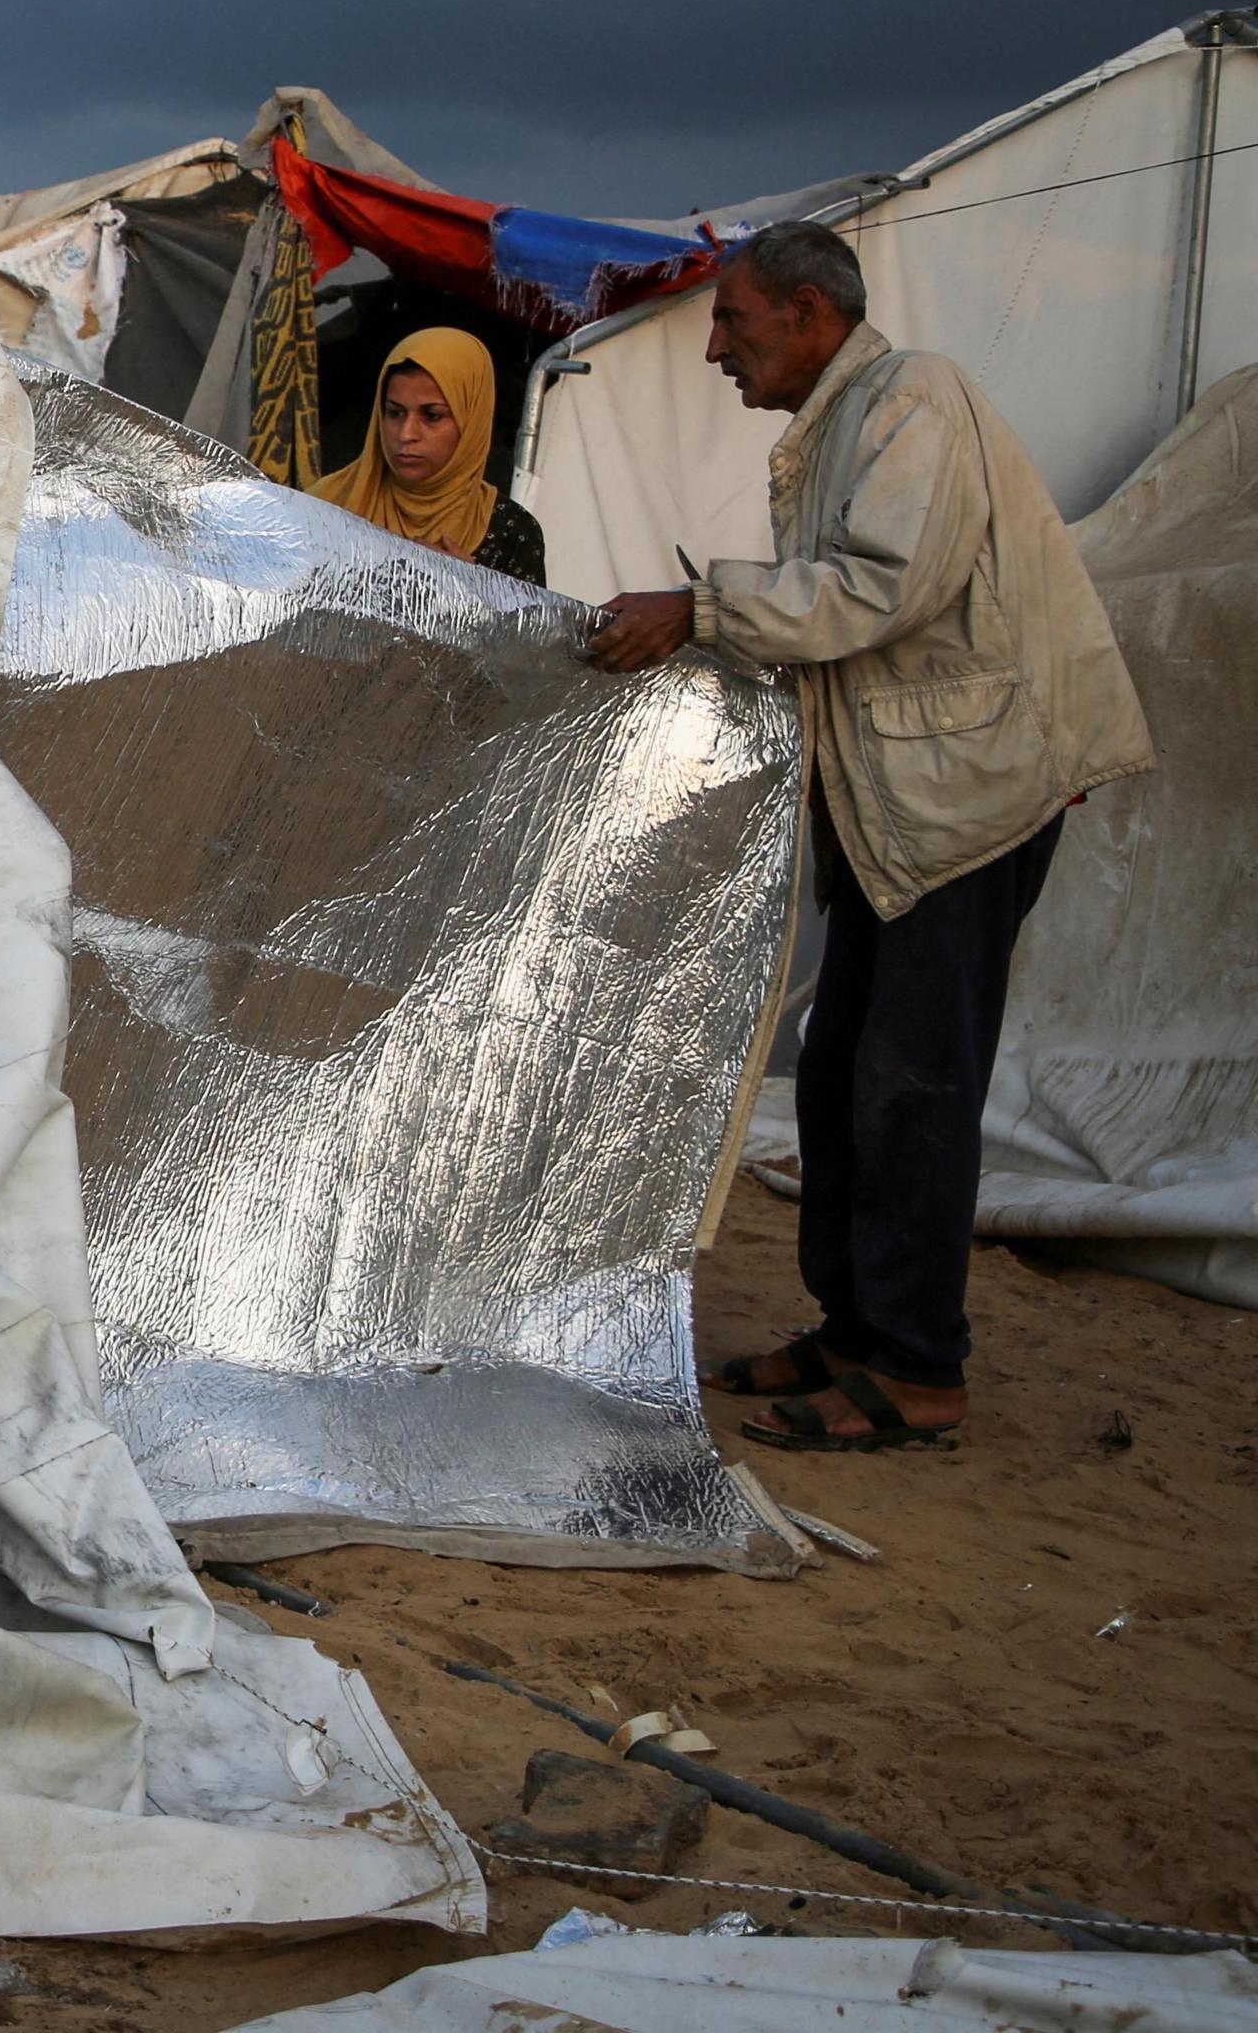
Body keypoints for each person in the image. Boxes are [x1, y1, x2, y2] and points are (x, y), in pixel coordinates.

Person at [586, 222, 1152, 1453]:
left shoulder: (916, 401)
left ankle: (919, 1364)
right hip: (907, 801)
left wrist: (699, 611)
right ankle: (854, 1328)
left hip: (972, 798)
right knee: (845, 1068)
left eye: (732, 320)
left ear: (805, 309)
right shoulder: (843, 424)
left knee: (914, 1083)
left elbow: (878, 589)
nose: (717, 350)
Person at [311, 325, 545, 584]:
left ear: (471, 422)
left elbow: (534, 624)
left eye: (432, 416)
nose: (406, 434)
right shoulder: (323, 506)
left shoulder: (510, 533)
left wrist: (475, 590)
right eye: (395, 413)